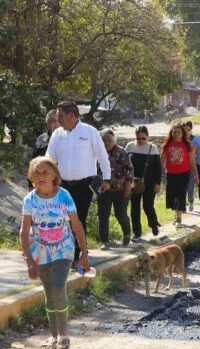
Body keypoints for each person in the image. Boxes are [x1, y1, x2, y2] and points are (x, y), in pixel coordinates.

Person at [20, 157, 90, 349]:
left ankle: (64, 335)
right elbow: (24, 233)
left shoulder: (64, 196)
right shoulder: (30, 200)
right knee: (49, 292)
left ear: (54, 176)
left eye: (44, 172)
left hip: (64, 249)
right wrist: (29, 261)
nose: (40, 176)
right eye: (37, 173)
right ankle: (53, 336)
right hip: (40, 252)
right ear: (32, 177)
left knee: (58, 288)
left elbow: (76, 226)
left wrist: (84, 253)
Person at [45, 100, 111, 264]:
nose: (57, 119)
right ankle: (69, 250)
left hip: (85, 184)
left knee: (78, 218)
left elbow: (102, 157)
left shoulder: (90, 132)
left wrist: (107, 179)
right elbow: (49, 159)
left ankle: (78, 253)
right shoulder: (57, 134)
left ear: (72, 115)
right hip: (64, 185)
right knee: (63, 219)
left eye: (60, 115)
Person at [97, 130, 133, 249]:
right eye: (104, 140)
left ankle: (127, 233)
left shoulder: (121, 152)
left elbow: (129, 170)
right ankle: (105, 241)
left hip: (120, 189)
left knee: (120, 214)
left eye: (109, 140)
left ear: (114, 141)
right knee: (103, 215)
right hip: (103, 190)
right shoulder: (97, 153)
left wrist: (128, 186)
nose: (107, 143)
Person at [125, 126, 162, 240]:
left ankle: (154, 224)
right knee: (135, 207)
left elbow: (158, 168)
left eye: (143, 138)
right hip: (134, 182)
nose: (141, 141)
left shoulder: (153, 148)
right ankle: (137, 232)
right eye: (138, 138)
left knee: (148, 206)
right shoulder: (130, 146)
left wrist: (158, 183)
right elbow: (125, 164)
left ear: (147, 136)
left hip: (150, 182)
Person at [162, 124, 198, 229]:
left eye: (179, 132)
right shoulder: (167, 145)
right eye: (174, 132)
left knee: (181, 194)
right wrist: (160, 173)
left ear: (183, 134)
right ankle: (176, 214)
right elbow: (162, 160)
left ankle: (179, 218)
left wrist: (196, 175)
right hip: (171, 173)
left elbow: (192, 161)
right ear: (171, 133)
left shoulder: (187, 145)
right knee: (172, 195)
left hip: (184, 173)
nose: (176, 134)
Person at [183, 121, 196, 212]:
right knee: (182, 185)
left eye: (188, 129)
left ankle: (191, 201)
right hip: (181, 165)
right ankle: (182, 204)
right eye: (185, 129)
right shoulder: (179, 138)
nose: (186, 131)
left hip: (191, 164)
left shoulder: (194, 139)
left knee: (190, 184)